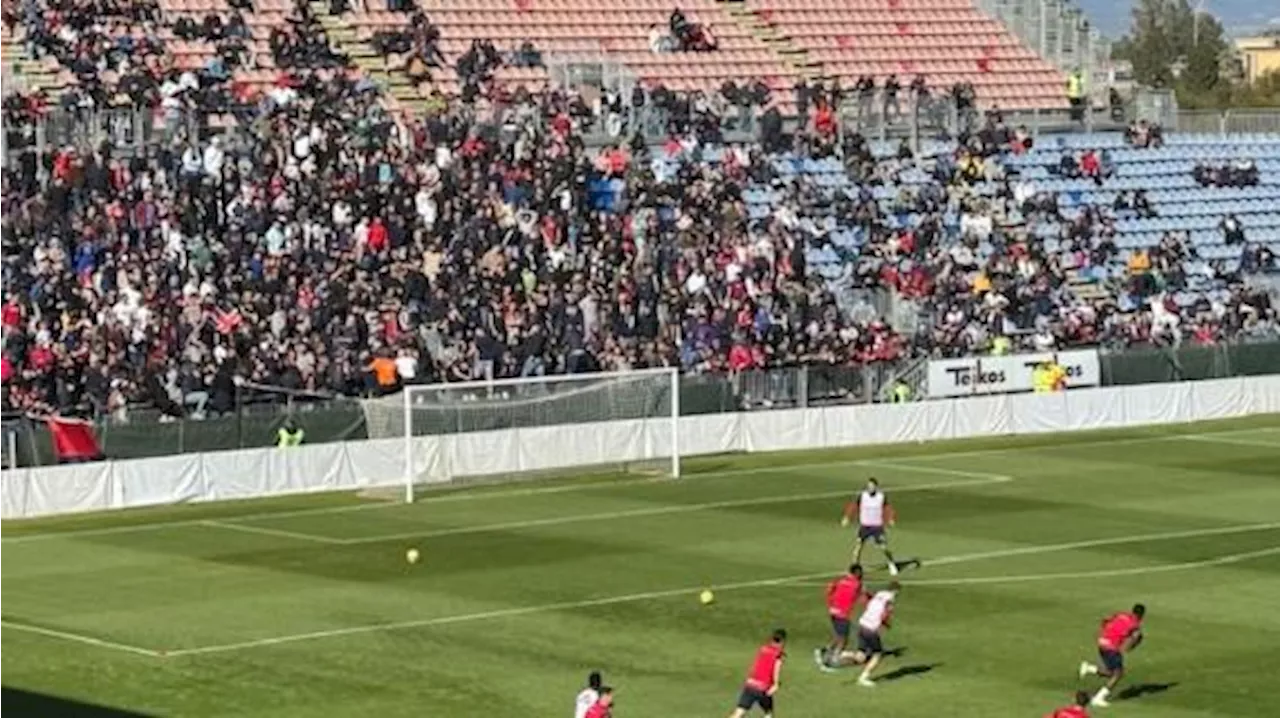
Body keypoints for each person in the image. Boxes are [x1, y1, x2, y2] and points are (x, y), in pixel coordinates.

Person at [1079, 603, 1146, 707]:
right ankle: (1099, 698)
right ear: (1141, 615)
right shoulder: (1135, 623)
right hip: (1110, 646)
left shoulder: (1121, 614)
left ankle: (1089, 668)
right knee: (1118, 674)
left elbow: (1105, 620)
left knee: (1112, 673)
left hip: (1102, 642)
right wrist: (1130, 647)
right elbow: (1136, 637)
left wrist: (1106, 632)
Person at [841, 478, 899, 575]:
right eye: (869, 486)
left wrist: (890, 518)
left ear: (876, 487)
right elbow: (854, 506)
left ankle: (892, 564)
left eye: (872, 486)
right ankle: (855, 567)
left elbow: (888, 507)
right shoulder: (862, 496)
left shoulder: (881, 497)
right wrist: (847, 517)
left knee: (883, 547)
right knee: (858, 547)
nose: (870, 488)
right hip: (865, 526)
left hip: (877, 526)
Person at [815, 564, 864, 670]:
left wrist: (830, 603)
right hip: (843, 613)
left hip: (833, 611)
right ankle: (831, 660)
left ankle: (824, 650)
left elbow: (829, 590)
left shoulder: (840, 580)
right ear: (857, 573)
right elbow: (859, 597)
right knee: (843, 639)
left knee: (838, 635)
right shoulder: (857, 584)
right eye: (861, 572)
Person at [850, 581, 899, 687]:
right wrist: (887, 624)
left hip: (862, 624)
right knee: (878, 654)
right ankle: (863, 678)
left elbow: (869, 600)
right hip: (871, 628)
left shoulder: (879, 593)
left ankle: (838, 655)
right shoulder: (890, 598)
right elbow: (885, 614)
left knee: (861, 656)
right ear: (895, 591)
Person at [729, 629, 785, 717]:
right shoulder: (778, 655)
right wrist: (776, 684)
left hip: (750, 684)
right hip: (762, 688)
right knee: (768, 713)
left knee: (738, 713)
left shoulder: (762, 649)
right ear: (782, 641)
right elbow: (776, 670)